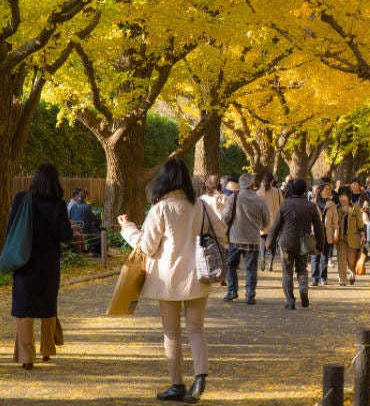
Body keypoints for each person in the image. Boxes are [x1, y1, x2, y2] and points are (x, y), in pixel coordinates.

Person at [118, 158, 227, 403]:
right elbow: (221, 236)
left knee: (171, 333)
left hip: (167, 280)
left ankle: (177, 384)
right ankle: (200, 378)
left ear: (163, 180)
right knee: (196, 329)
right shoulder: (201, 206)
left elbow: (146, 247)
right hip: (199, 277)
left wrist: (128, 228)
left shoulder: (161, 208)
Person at [8, 163, 73, 370]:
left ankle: (27, 357)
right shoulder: (58, 205)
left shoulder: (22, 199)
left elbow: (11, 228)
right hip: (49, 262)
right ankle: (47, 350)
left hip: (24, 259)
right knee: (47, 305)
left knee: (24, 308)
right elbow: (66, 237)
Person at [266, 179, 323, 309]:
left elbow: (276, 226)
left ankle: (290, 300)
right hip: (304, 241)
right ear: (305, 191)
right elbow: (319, 228)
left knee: (287, 271)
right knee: (302, 269)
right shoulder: (311, 206)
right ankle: (303, 288)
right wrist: (320, 245)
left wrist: (269, 242)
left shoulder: (285, 205)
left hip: (286, 241)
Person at [222, 173, 270, 304]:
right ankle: (250, 294)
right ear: (252, 184)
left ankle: (232, 291)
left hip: (236, 237)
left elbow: (225, 217)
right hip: (252, 238)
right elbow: (266, 220)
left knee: (231, 265)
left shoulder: (233, 198)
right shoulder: (260, 200)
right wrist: (259, 225)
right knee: (251, 268)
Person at [335, 186, 366, 286]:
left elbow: (360, 223)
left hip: (353, 237)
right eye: (340, 196)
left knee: (351, 259)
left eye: (343, 196)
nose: (341, 198)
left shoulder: (355, 207)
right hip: (340, 238)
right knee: (341, 259)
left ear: (348, 196)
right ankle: (342, 280)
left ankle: (352, 272)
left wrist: (362, 235)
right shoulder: (336, 208)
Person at [310, 183, 339, 286]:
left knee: (324, 257)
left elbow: (335, 221)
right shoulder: (313, 203)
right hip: (315, 233)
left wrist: (336, 232)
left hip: (327, 233)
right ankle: (314, 278)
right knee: (315, 257)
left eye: (329, 189)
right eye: (326, 189)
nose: (328, 191)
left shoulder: (332, 204)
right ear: (320, 190)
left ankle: (323, 278)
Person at [256, 172, 282, 272]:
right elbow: (282, 205)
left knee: (263, 241)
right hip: (275, 221)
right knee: (273, 243)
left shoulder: (258, 192)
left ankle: (262, 258)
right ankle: (270, 263)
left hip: (262, 221)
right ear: (272, 181)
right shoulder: (278, 192)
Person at [68, 189, 102, 255]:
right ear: (86, 197)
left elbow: (71, 219)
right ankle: (91, 250)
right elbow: (93, 220)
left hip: (76, 230)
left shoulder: (73, 207)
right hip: (85, 230)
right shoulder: (87, 207)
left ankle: (88, 250)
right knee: (100, 235)